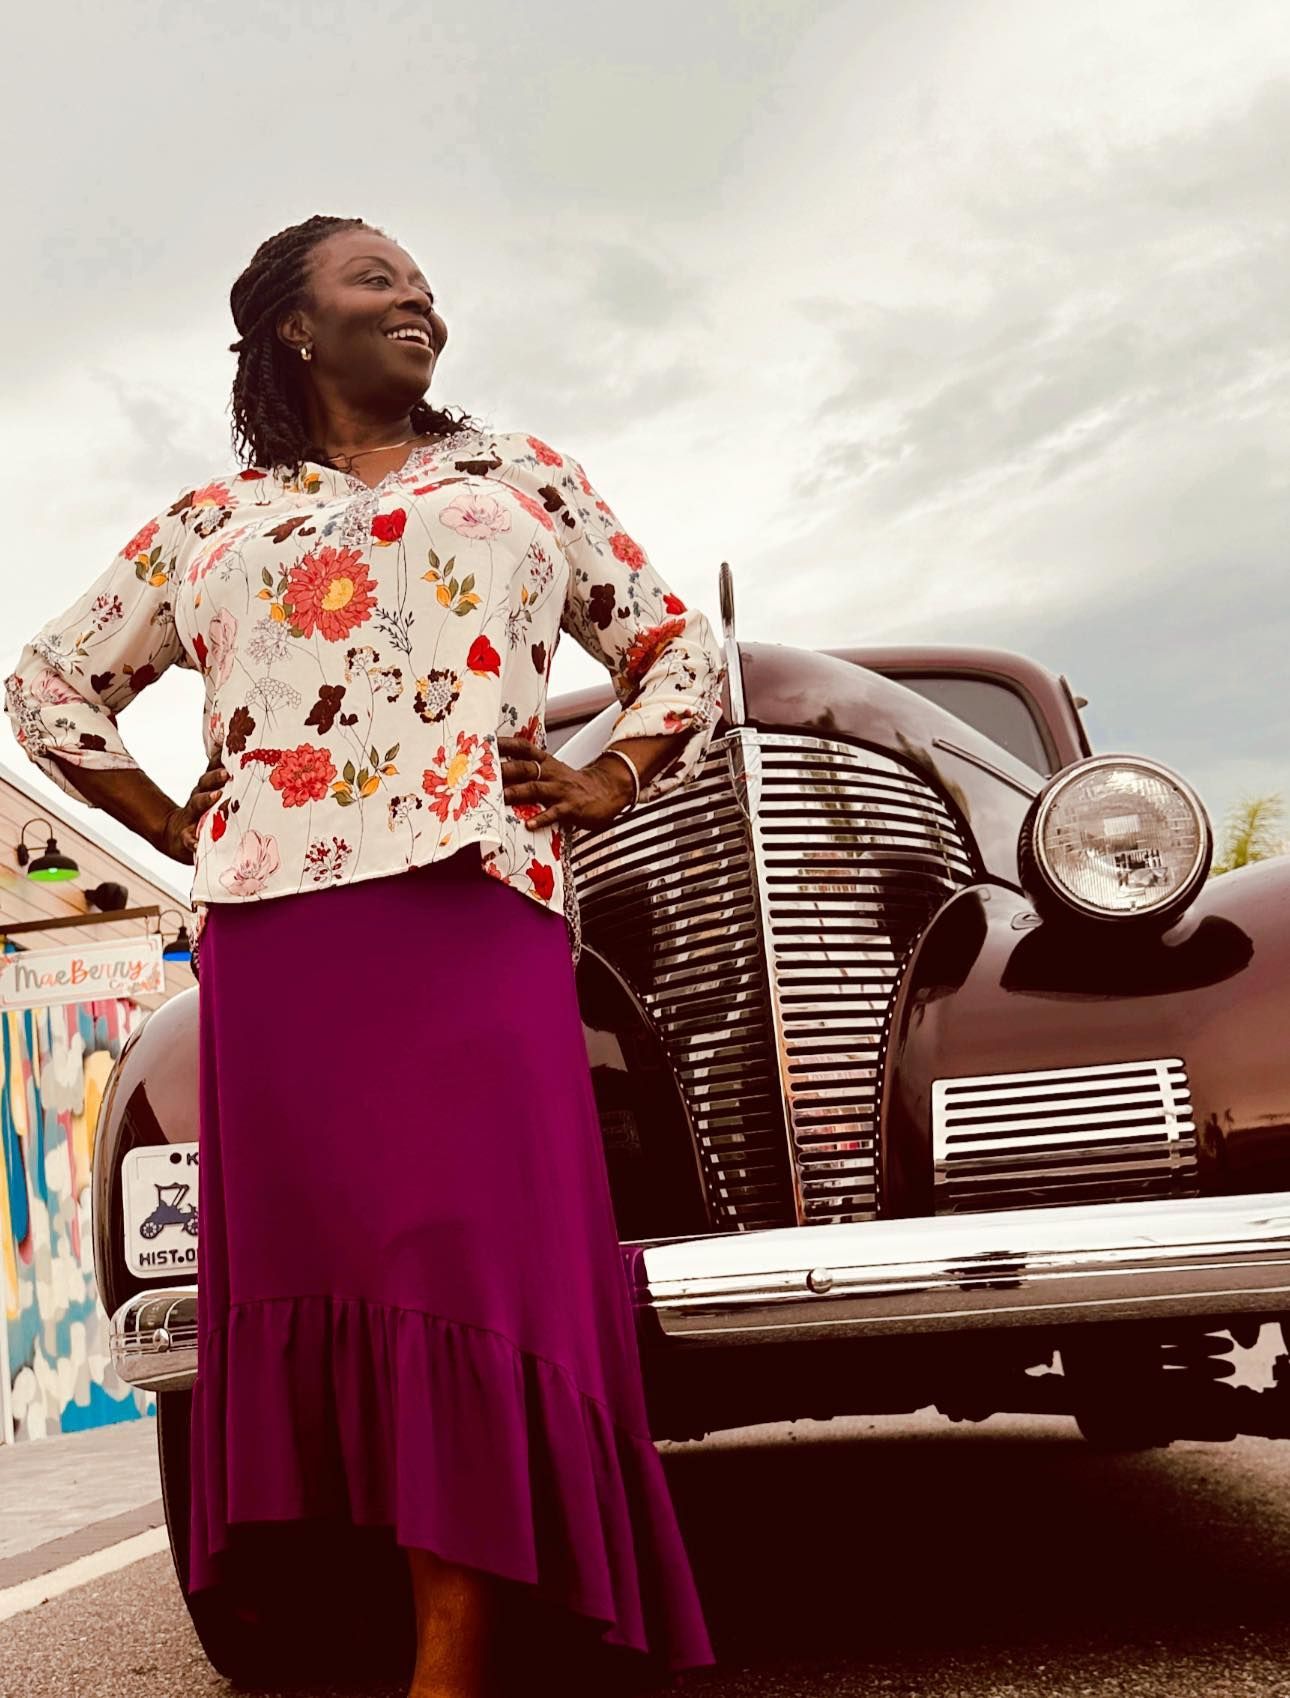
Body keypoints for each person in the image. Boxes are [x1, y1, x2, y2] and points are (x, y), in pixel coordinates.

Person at [3, 213, 723, 1695]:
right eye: (377, 279)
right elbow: (52, 686)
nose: (419, 301)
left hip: (471, 913)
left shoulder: (518, 476)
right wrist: (171, 814)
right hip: (280, 939)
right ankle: (399, 1626)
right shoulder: (212, 522)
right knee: (349, 1277)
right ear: (290, 327)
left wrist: (609, 773)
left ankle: (456, 1651)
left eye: (424, 285)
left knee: (468, 1266)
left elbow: (677, 647)